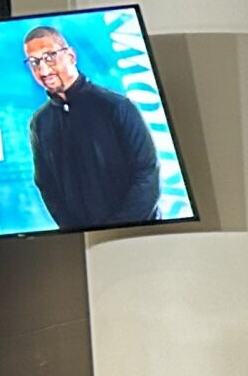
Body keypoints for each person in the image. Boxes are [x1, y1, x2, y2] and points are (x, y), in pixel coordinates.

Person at [22, 24, 161, 231]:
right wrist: (76, 232)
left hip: (140, 234)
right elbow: (46, 184)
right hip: (84, 240)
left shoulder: (115, 106)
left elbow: (147, 174)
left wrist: (118, 229)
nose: (43, 70)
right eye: (34, 62)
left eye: (50, 57)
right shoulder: (40, 122)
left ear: (71, 56)